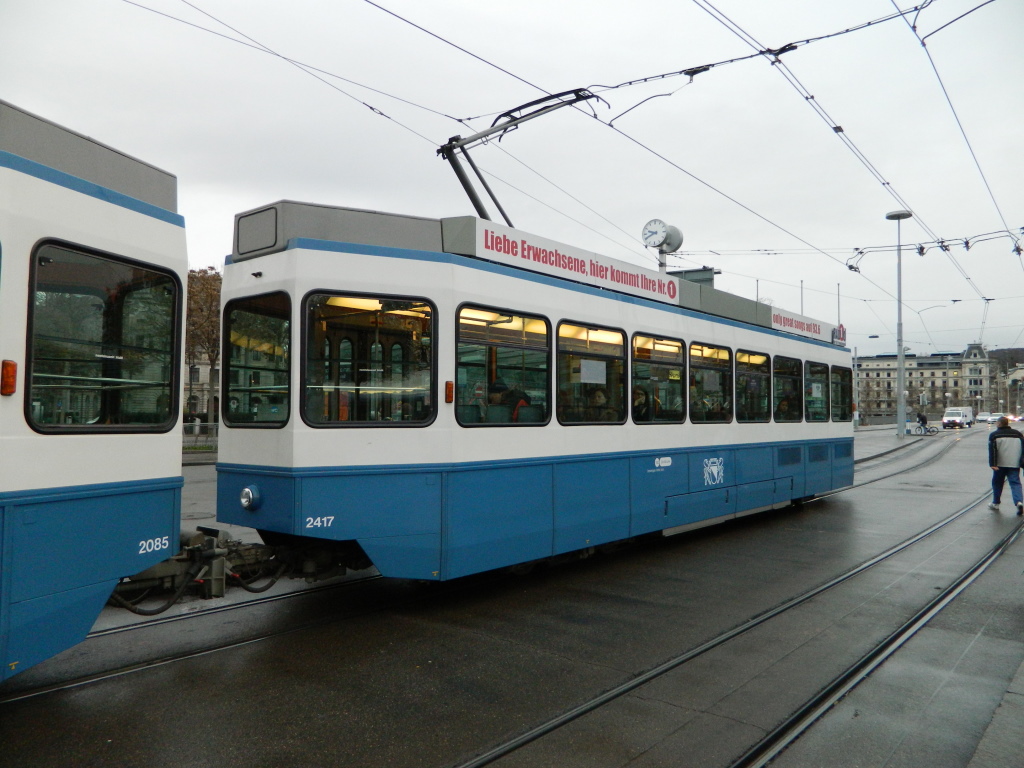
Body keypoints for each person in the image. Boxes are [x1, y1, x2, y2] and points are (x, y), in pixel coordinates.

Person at [987, 415, 1024, 514]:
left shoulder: (994, 435)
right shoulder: (1018, 434)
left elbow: (992, 450)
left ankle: (996, 503)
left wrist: (993, 464)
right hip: (1014, 463)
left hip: (1000, 464)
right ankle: (1019, 502)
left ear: (999, 423)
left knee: (997, 483)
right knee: (1015, 483)